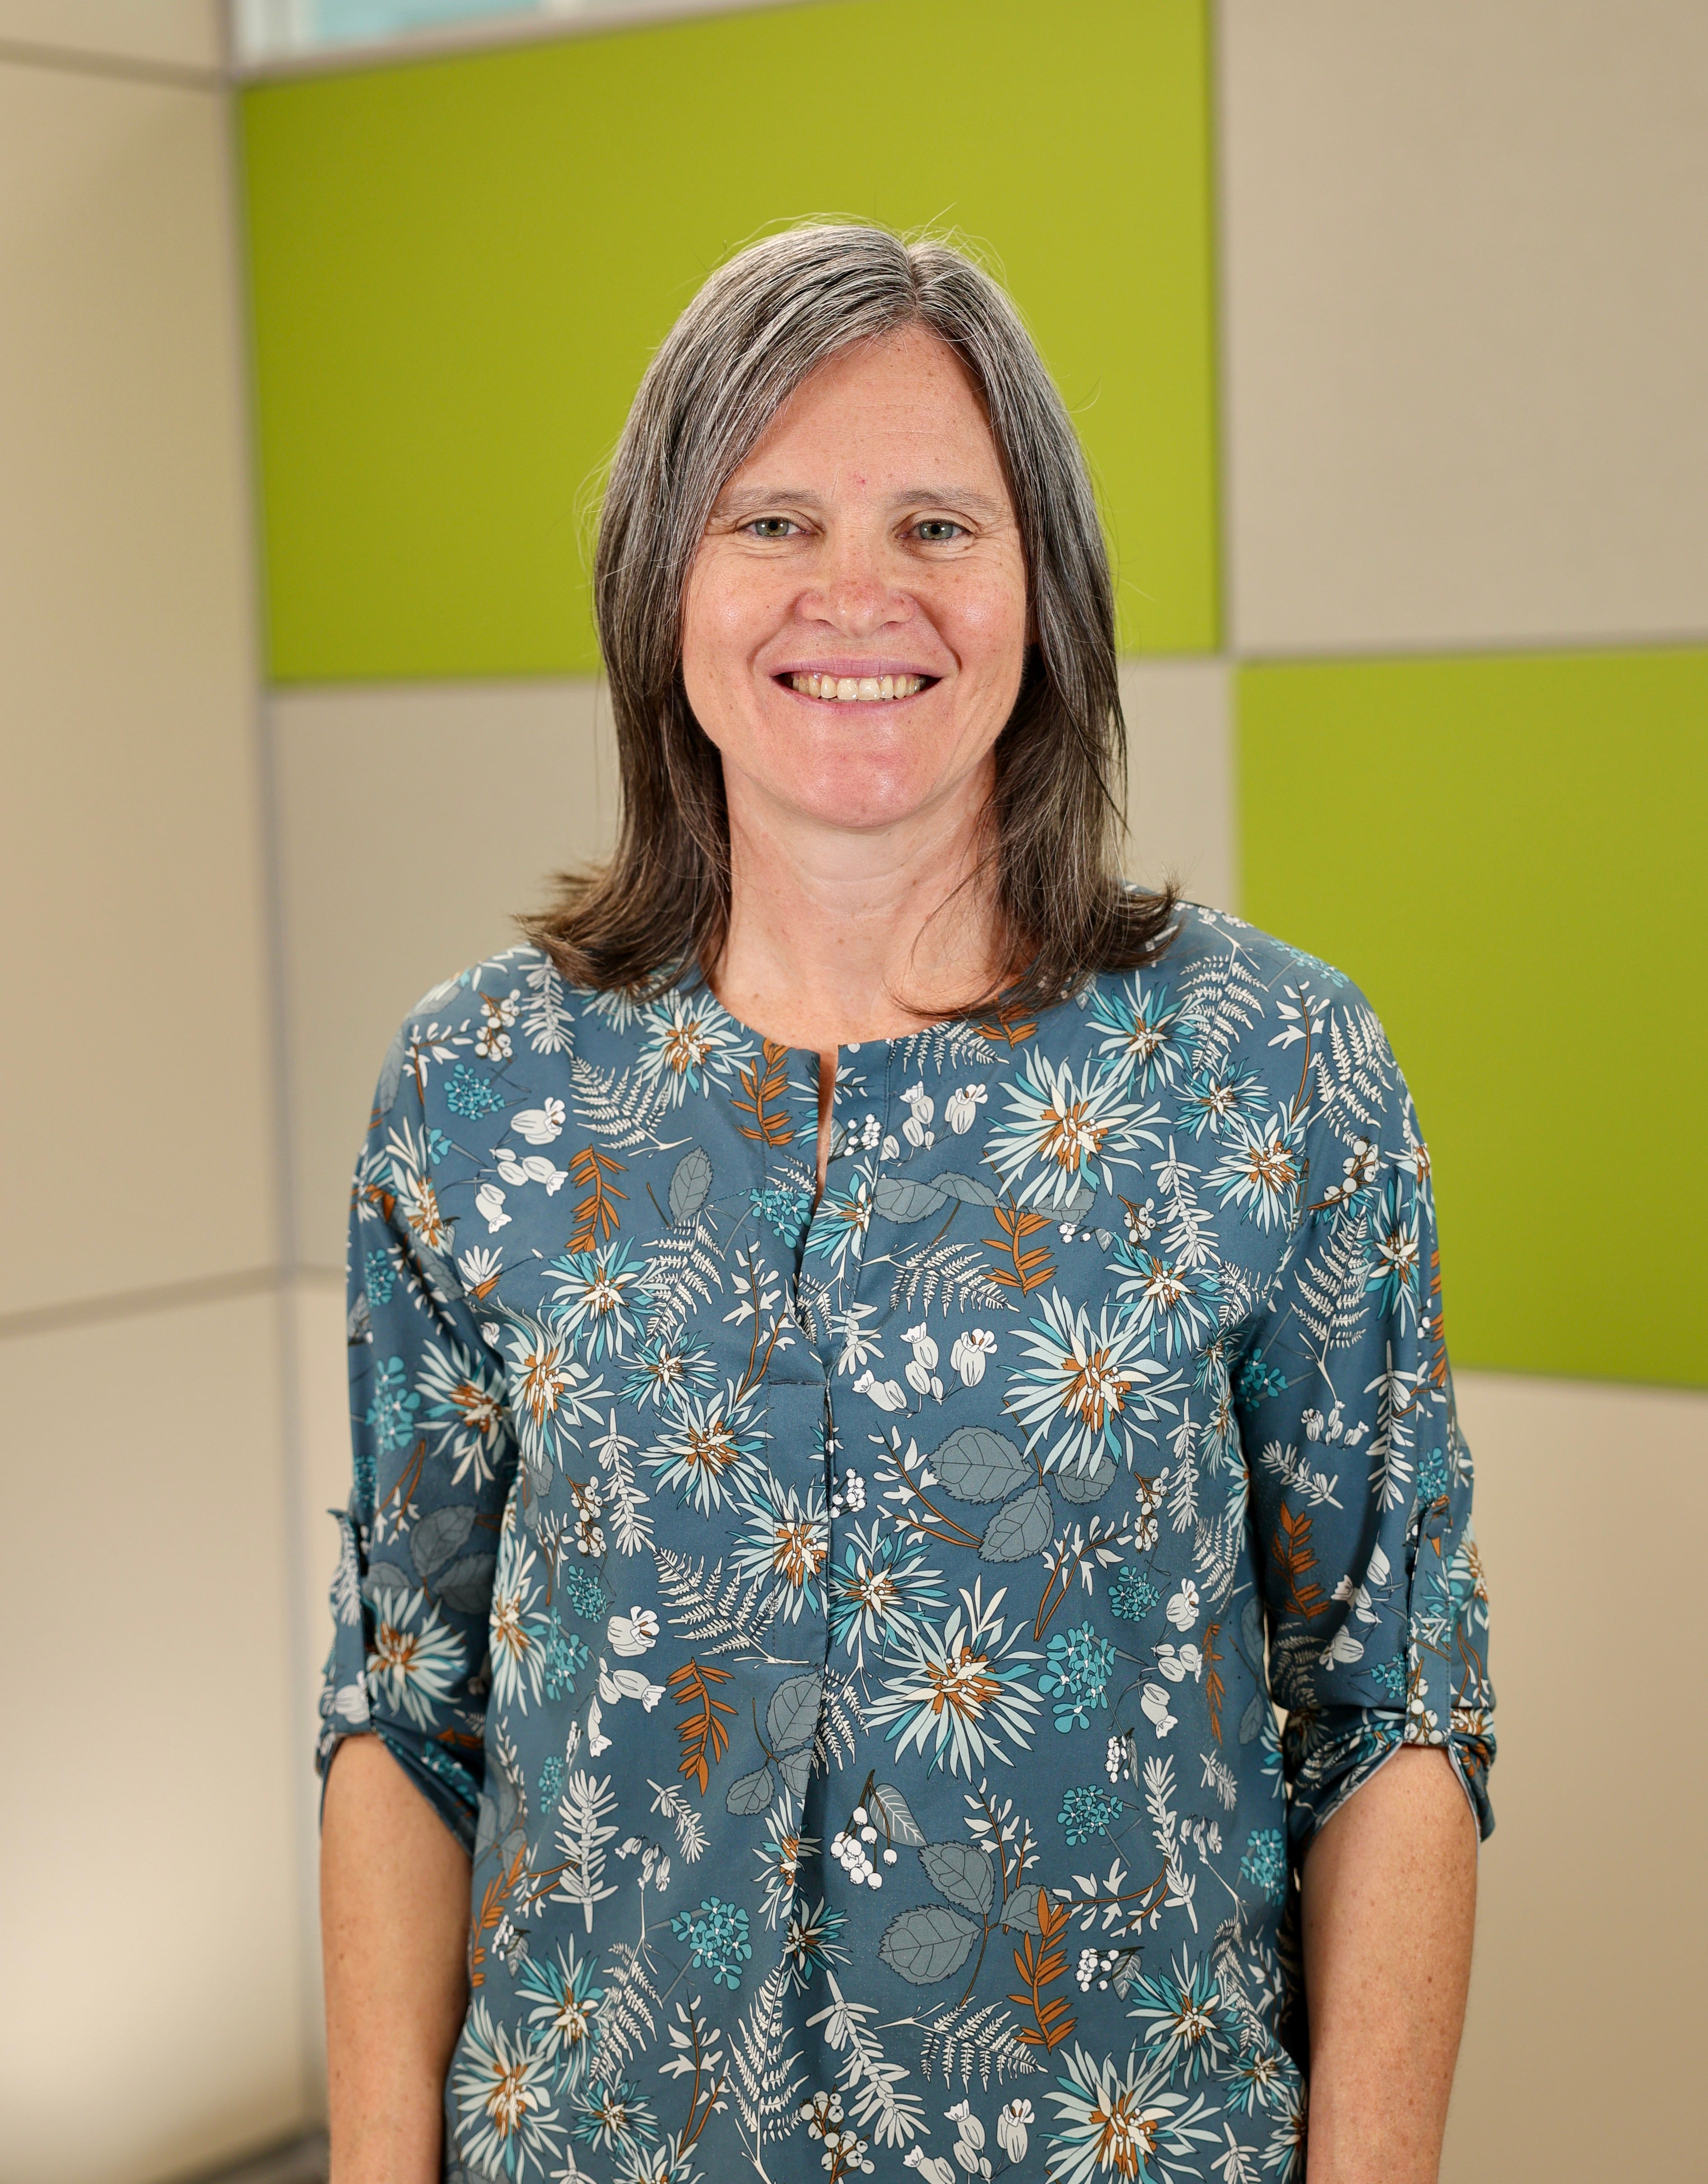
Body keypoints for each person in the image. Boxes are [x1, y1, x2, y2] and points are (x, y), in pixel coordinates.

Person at [318, 224, 1494, 2184]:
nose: (853, 592)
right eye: (768, 519)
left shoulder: (1270, 1069)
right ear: (659, 589)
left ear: (1042, 588)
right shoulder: (475, 1089)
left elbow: (1388, 1704)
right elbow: (402, 1704)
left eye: (938, 524)